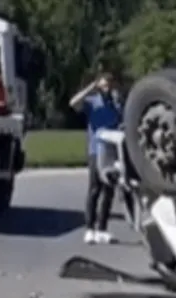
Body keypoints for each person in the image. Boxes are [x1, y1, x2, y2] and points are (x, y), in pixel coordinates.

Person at [69, 71, 121, 244]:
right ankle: (89, 228)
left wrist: (117, 100)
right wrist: (90, 88)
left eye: (109, 85)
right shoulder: (92, 102)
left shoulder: (116, 104)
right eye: (104, 85)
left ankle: (102, 229)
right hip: (96, 150)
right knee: (94, 190)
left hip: (112, 151)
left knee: (109, 191)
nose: (107, 88)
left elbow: (122, 122)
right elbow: (73, 103)